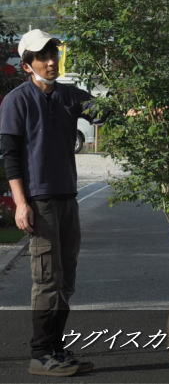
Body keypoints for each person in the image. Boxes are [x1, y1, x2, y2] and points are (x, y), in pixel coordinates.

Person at [0, 29, 99, 377]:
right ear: (27, 65)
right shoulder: (17, 101)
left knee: (66, 278)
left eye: (53, 54)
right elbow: (10, 156)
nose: (51, 61)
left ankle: (56, 347)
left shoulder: (70, 96)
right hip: (38, 202)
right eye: (42, 56)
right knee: (46, 279)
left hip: (67, 198)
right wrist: (20, 203)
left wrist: (141, 114)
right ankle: (40, 354)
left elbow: (103, 114)